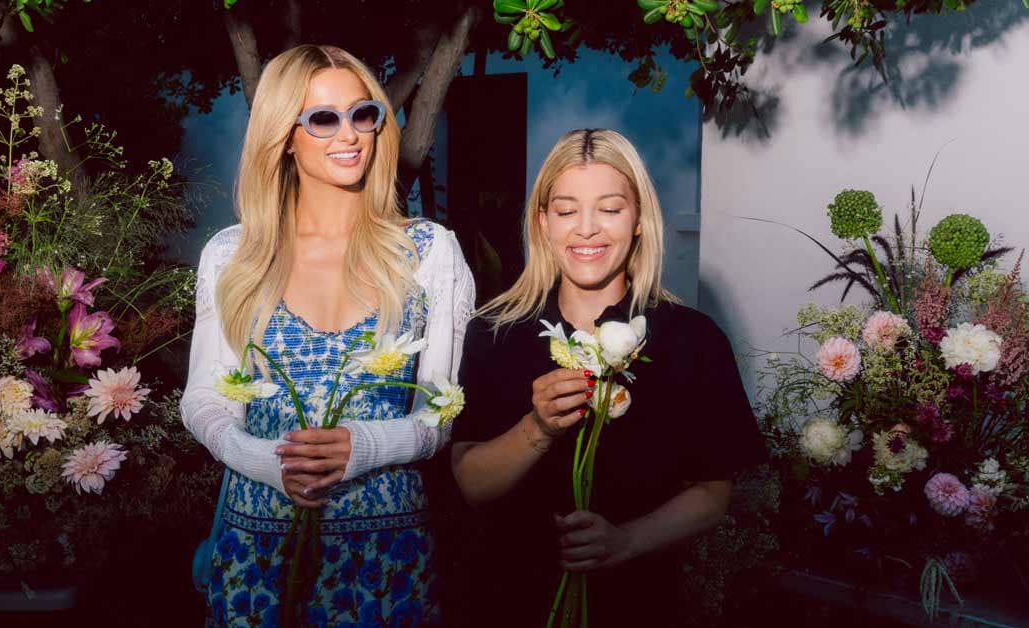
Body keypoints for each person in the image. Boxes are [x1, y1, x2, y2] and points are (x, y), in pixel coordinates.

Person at [181, 44, 475, 626]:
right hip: (256, 550)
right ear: (284, 135)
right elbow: (204, 400)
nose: (351, 134)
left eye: (363, 113)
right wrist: (269, 461)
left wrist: (365, 446)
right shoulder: (233, 255)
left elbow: (441, 411)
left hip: (384, 557)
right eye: (323, 118)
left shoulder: (429, 253)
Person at [450, 129, 765, 625]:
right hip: (506, 597)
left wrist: (627, 541)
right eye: (567, 210)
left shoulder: (691, 339)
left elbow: (713, 491)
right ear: (543, 222)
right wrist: (539, 427)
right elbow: (471, 483)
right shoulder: (495, 333)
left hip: (640, 603)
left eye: (611, 209)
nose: (587, 229)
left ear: (639, 219)